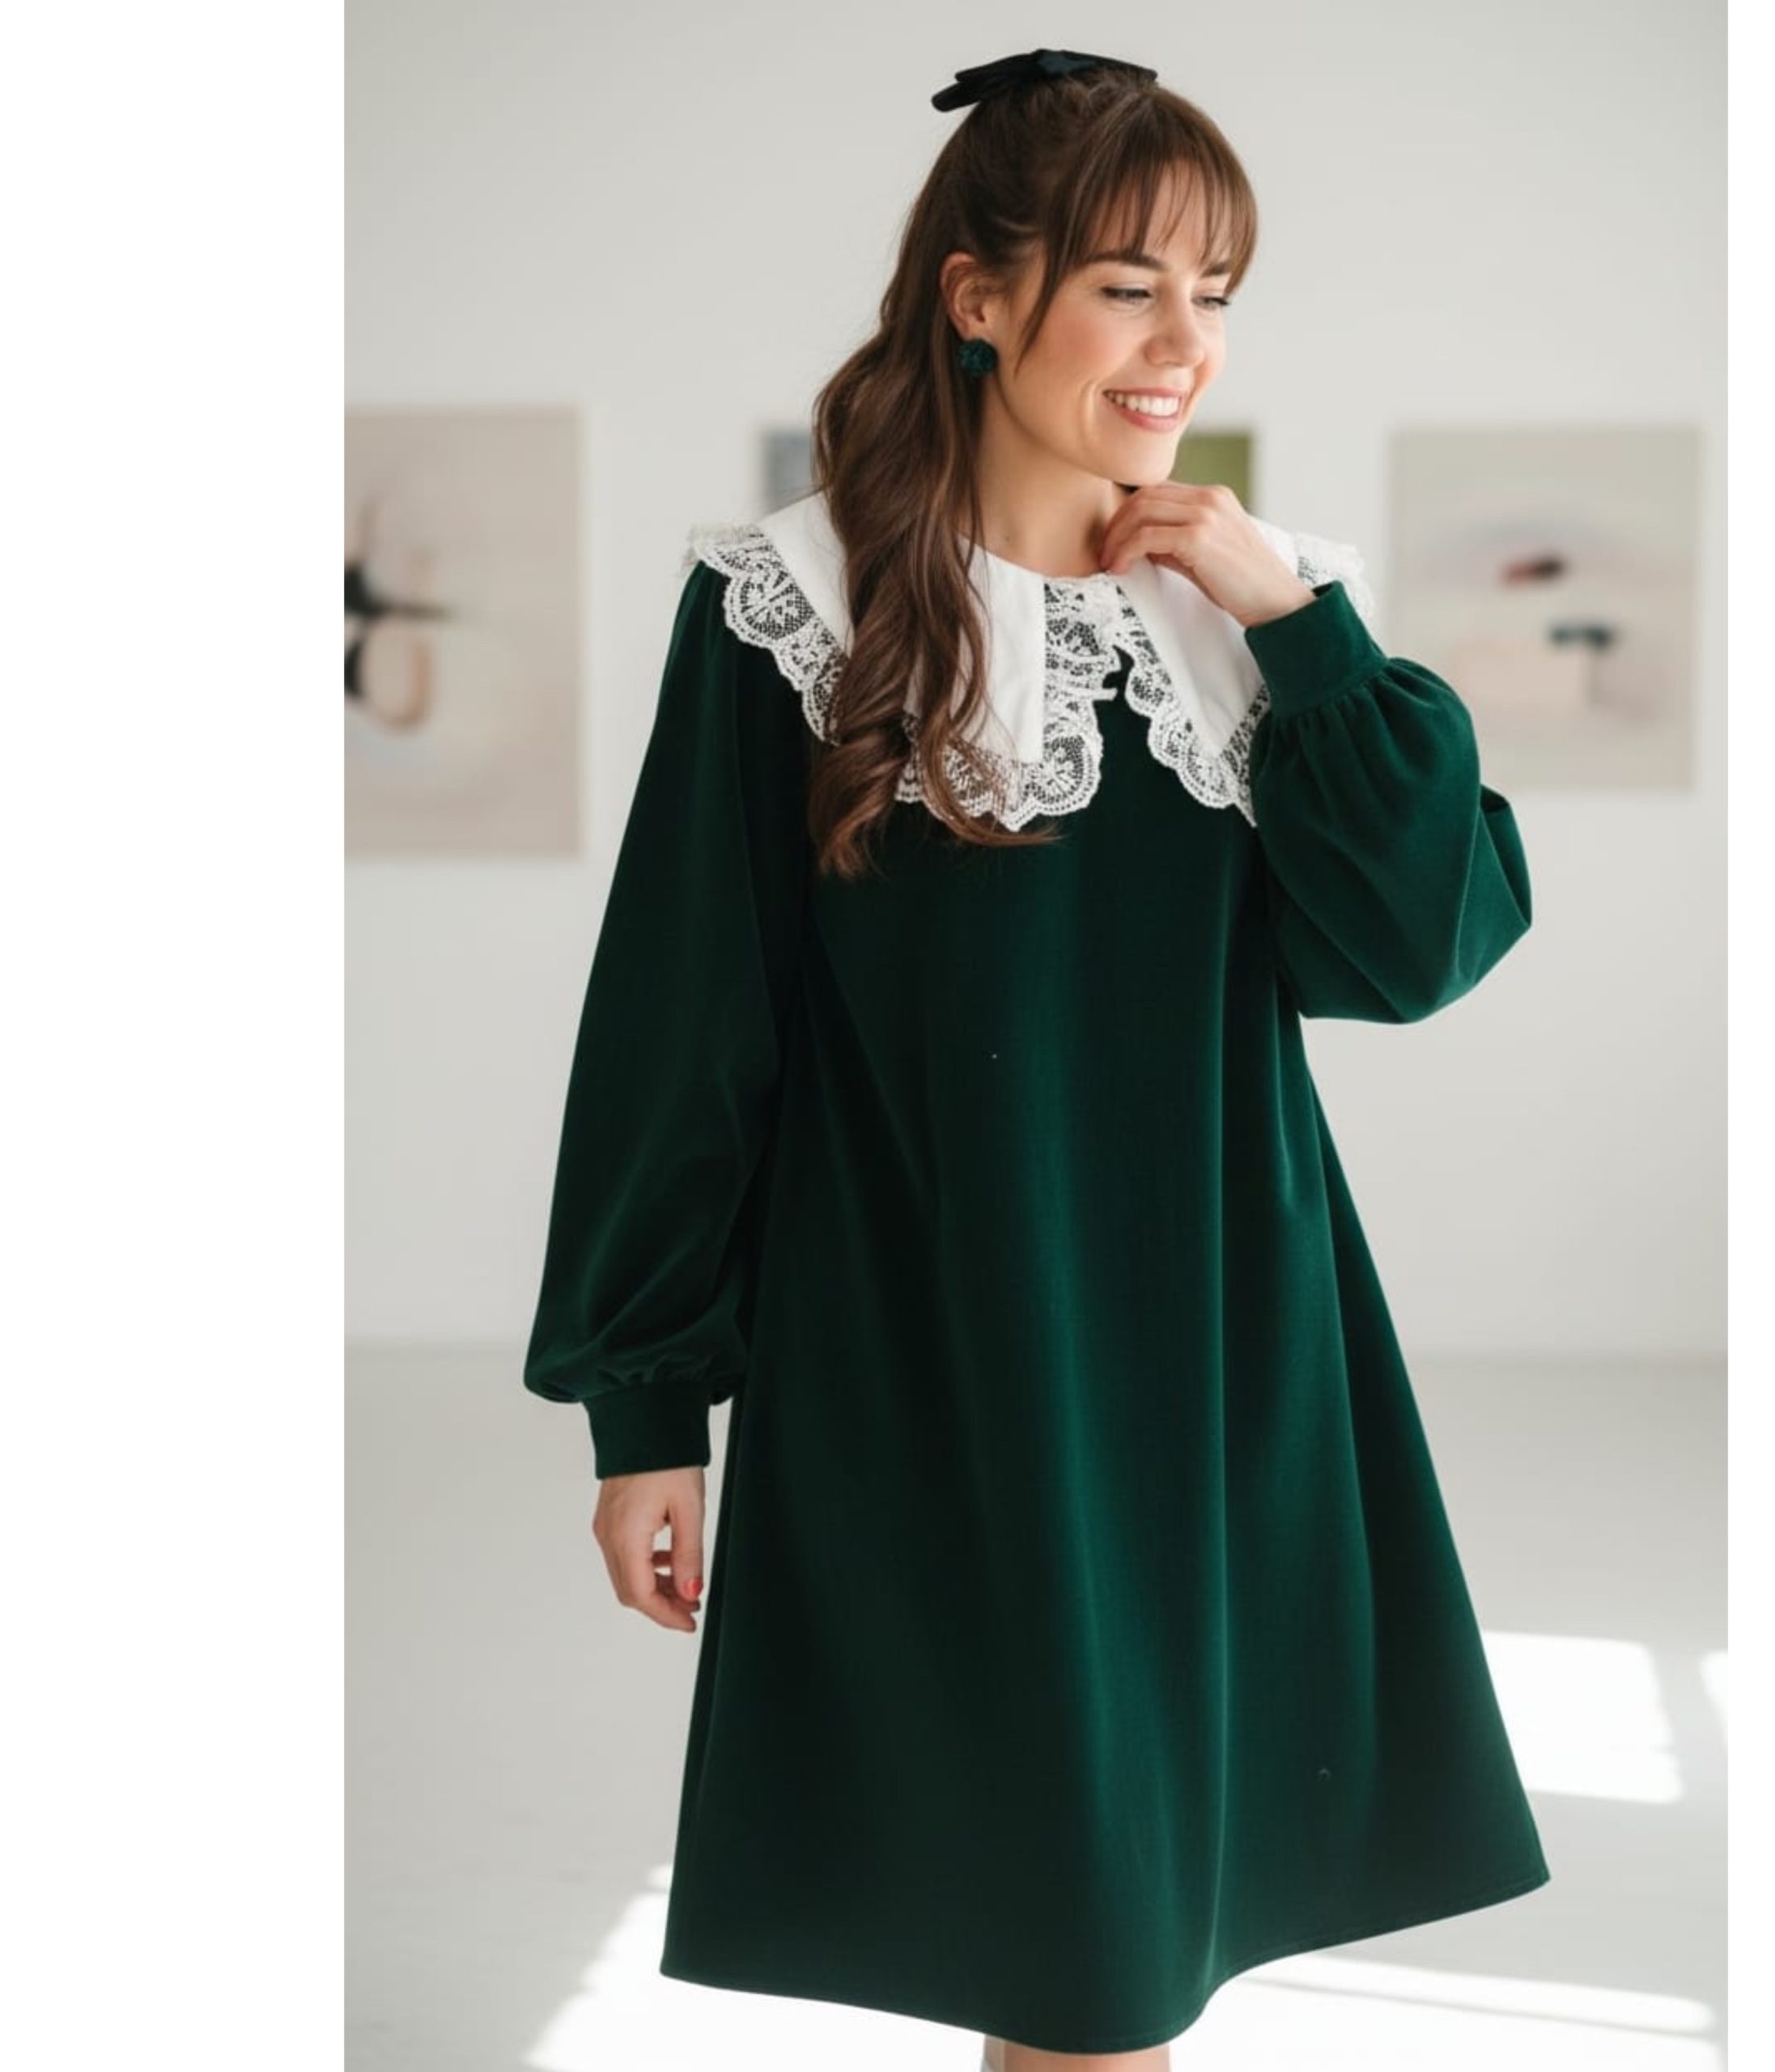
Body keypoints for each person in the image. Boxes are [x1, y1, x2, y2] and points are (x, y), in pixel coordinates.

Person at [522, 45, 1550, 2072]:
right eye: (1128, 286)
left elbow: (1416, 950)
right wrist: (644, 1403)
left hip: (1225, 1369)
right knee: (1070, 1958)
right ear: (979, 295)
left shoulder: (1257, 612)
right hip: (931, 1370)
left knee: (1107, 1960)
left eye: (1215, 292)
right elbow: (685, 1019)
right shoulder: (791, 605)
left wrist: (1298, 627)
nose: (1184, 345)